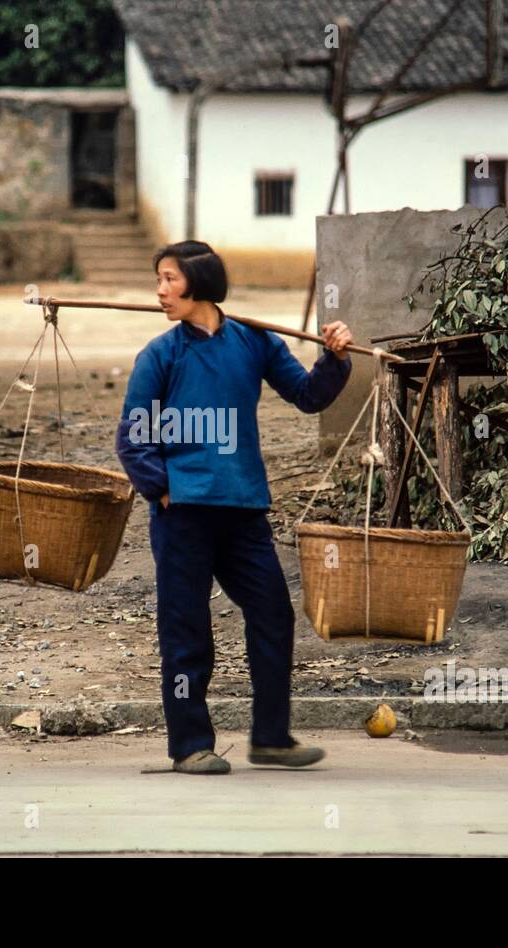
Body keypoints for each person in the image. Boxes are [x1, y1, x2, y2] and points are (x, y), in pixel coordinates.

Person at [116, 241, 354, 775]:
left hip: (244, 508)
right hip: (183, 515)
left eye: (170, 279)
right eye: (158, 279)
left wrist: (335, 357)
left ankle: (271, 738)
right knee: (187, 627)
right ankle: (190, 745)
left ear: (199, 282)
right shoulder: (160, 354)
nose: (160, 291)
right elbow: (133, 438)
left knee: (273, 614)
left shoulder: (253, 340)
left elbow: (308, 395)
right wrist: (163, 488)